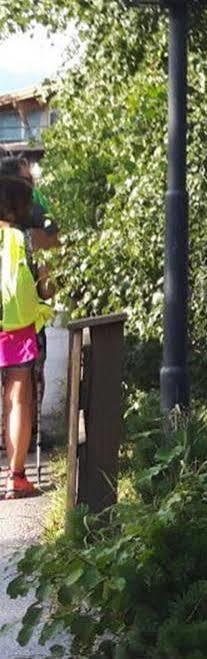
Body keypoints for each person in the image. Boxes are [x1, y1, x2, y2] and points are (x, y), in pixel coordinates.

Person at [0, 175, 54, 499]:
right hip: (19, 327)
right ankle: (15, 477)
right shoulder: (32, 236)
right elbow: (48, 288)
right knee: (18, 399)